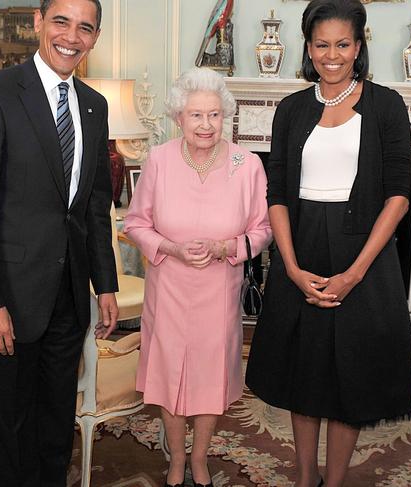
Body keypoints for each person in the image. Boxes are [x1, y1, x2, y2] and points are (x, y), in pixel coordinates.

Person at [245, 0, 411, 486]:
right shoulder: (292, 109)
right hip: (303, 253)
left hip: (364, 258)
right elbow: (276, 192)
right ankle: (306, 478)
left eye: (343, 44)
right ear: (309, 47)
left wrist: (355, 273)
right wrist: (291, 268)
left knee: (350, 381)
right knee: (305, 375)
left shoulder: (386, 104)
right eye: (322, 44)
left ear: (359, 47)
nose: (332, 55)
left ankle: (334, 481)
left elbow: (400, 195)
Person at [0, 0, 118, 485]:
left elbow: (92, 207)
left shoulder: (94, 104)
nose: (72, 35)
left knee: (53, 425)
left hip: (68, 296)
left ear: (95, 38)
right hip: (8, 299)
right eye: (61, 21)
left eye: (85, 27)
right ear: (37, 23)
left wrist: (104, 284)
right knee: (10, 425)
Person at [124, 67, 271, 487]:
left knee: (210, 374)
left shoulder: (247, 164)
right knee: (170, 373)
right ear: (178, 118)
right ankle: (174, 463)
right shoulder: (159, 159)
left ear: (225, 116)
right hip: (168, 285)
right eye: (195, 115)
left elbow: (263, 230)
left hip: (218, 289)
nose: (206, 125)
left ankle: (200, 459)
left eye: (214, 115)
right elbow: (135, 223)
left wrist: (226, 248)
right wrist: (170, 248)